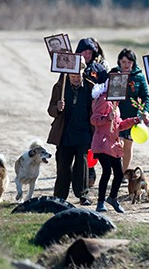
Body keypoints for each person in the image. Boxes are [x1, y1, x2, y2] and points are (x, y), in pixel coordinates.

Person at [90, 81, 144, 213]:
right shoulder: (103, 100)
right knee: (107, 171)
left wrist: (134, 120)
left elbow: (119, 125)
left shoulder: (116, 104)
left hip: (113, 144)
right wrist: (107, 118)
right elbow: (94, 119)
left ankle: (112, 198)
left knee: (119, 174)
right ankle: (100, 201)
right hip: (102, 143)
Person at [47, 72, 94, 205]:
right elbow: (50, 110)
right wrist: (58, 107)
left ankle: (83, 195)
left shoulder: (90, 88)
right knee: (63, 165)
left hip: (83, 131)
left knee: (82, 163)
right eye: (72, 76)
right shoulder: (59, 87)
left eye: (78, 76)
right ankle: (60, 196)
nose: (76, 79)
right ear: (68, 75)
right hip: (65, 132)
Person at [109, 48, 149, 172]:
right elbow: (106, 94)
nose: (127, 65)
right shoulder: (114, 74)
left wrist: (144, 111)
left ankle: (124, 172)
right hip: (116, 116)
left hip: (132, 116)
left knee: (128, 145)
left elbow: (145, 96)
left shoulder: (139, 76)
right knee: (117, 145)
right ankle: (116, 171)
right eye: (124, 62)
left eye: (129, 62)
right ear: (119, 62)